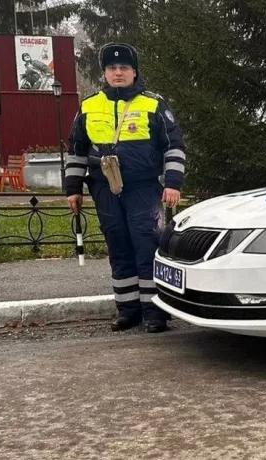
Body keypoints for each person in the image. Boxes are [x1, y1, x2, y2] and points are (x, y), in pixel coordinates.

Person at [65, 43, 186, 333]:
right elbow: (76, 150)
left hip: (142, 186)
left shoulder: (153, 103)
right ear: (104, 73)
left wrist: (172, 183)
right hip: (104, 187)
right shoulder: (89, 105)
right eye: (111, 68)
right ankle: (128, 309)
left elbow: (174, 146)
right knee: (117, 245)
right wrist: (73, 188)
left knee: (146, 244)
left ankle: (155, 312)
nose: (118, 72)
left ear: (134, 72)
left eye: (124, 68)